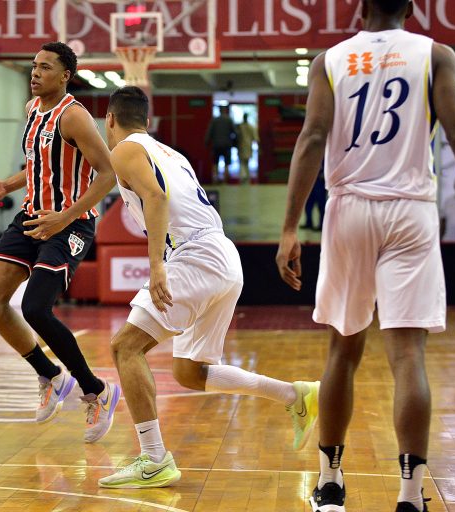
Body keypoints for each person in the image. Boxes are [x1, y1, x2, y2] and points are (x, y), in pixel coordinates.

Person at [274, 1, 455, 511]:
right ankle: (410, 495)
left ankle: (330, 482)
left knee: (342, 351)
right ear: (411, 6)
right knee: (408, 356)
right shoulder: (436, 54)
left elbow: (312, 137)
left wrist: (291, 226)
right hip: (410, 211)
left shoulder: (329, 60)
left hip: (348, 209)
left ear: (360, 6)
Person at [98, 86, 320, 489]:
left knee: (125, 347)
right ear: (147, 121)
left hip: (193, 255)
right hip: (222, 254)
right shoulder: (170, 153)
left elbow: (155, 196)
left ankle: (154, 459)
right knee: (189, 370)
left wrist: (156, 265)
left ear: (109, 120)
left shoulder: (125, 150)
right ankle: (294, 396)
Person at [0, 42, 120, 443]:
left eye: (45, 67)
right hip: (31, 217)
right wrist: (4, 185)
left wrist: (65, 217)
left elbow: (108, 173)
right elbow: (39, 165)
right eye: (34, 66)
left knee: (36, 308)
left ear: (65, 76)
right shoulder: (32, 110)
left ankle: (97, 391)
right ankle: (51, 374)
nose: (35, 73)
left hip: (70, 224)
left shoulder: (75, 117)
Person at [205, 105, 236, 183]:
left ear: (219, 111)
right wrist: (235, 142)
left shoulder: (215, 120)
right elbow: (235, 132)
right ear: (225, 111)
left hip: (216, 145)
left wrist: (206, 142)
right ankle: (225, 181)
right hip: (227, 145)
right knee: (227, 163)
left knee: (215, 163)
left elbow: (209, 132)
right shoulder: (229, 120)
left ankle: (215, 180)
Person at [235, 113, 260, 184]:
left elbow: (256, 138)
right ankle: (245, 177)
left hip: (245, 146)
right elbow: (256, 138)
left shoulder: (243, 127)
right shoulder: (245, 127)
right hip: (244, 146)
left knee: (243, 163)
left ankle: (245, 178)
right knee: (244, 163)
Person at [303, 166, 327, 231]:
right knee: (308, 203)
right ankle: (308, 222)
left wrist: (324, 174)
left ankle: (322, 225)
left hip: (319, 181)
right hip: (310, 180)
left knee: (321, 205)